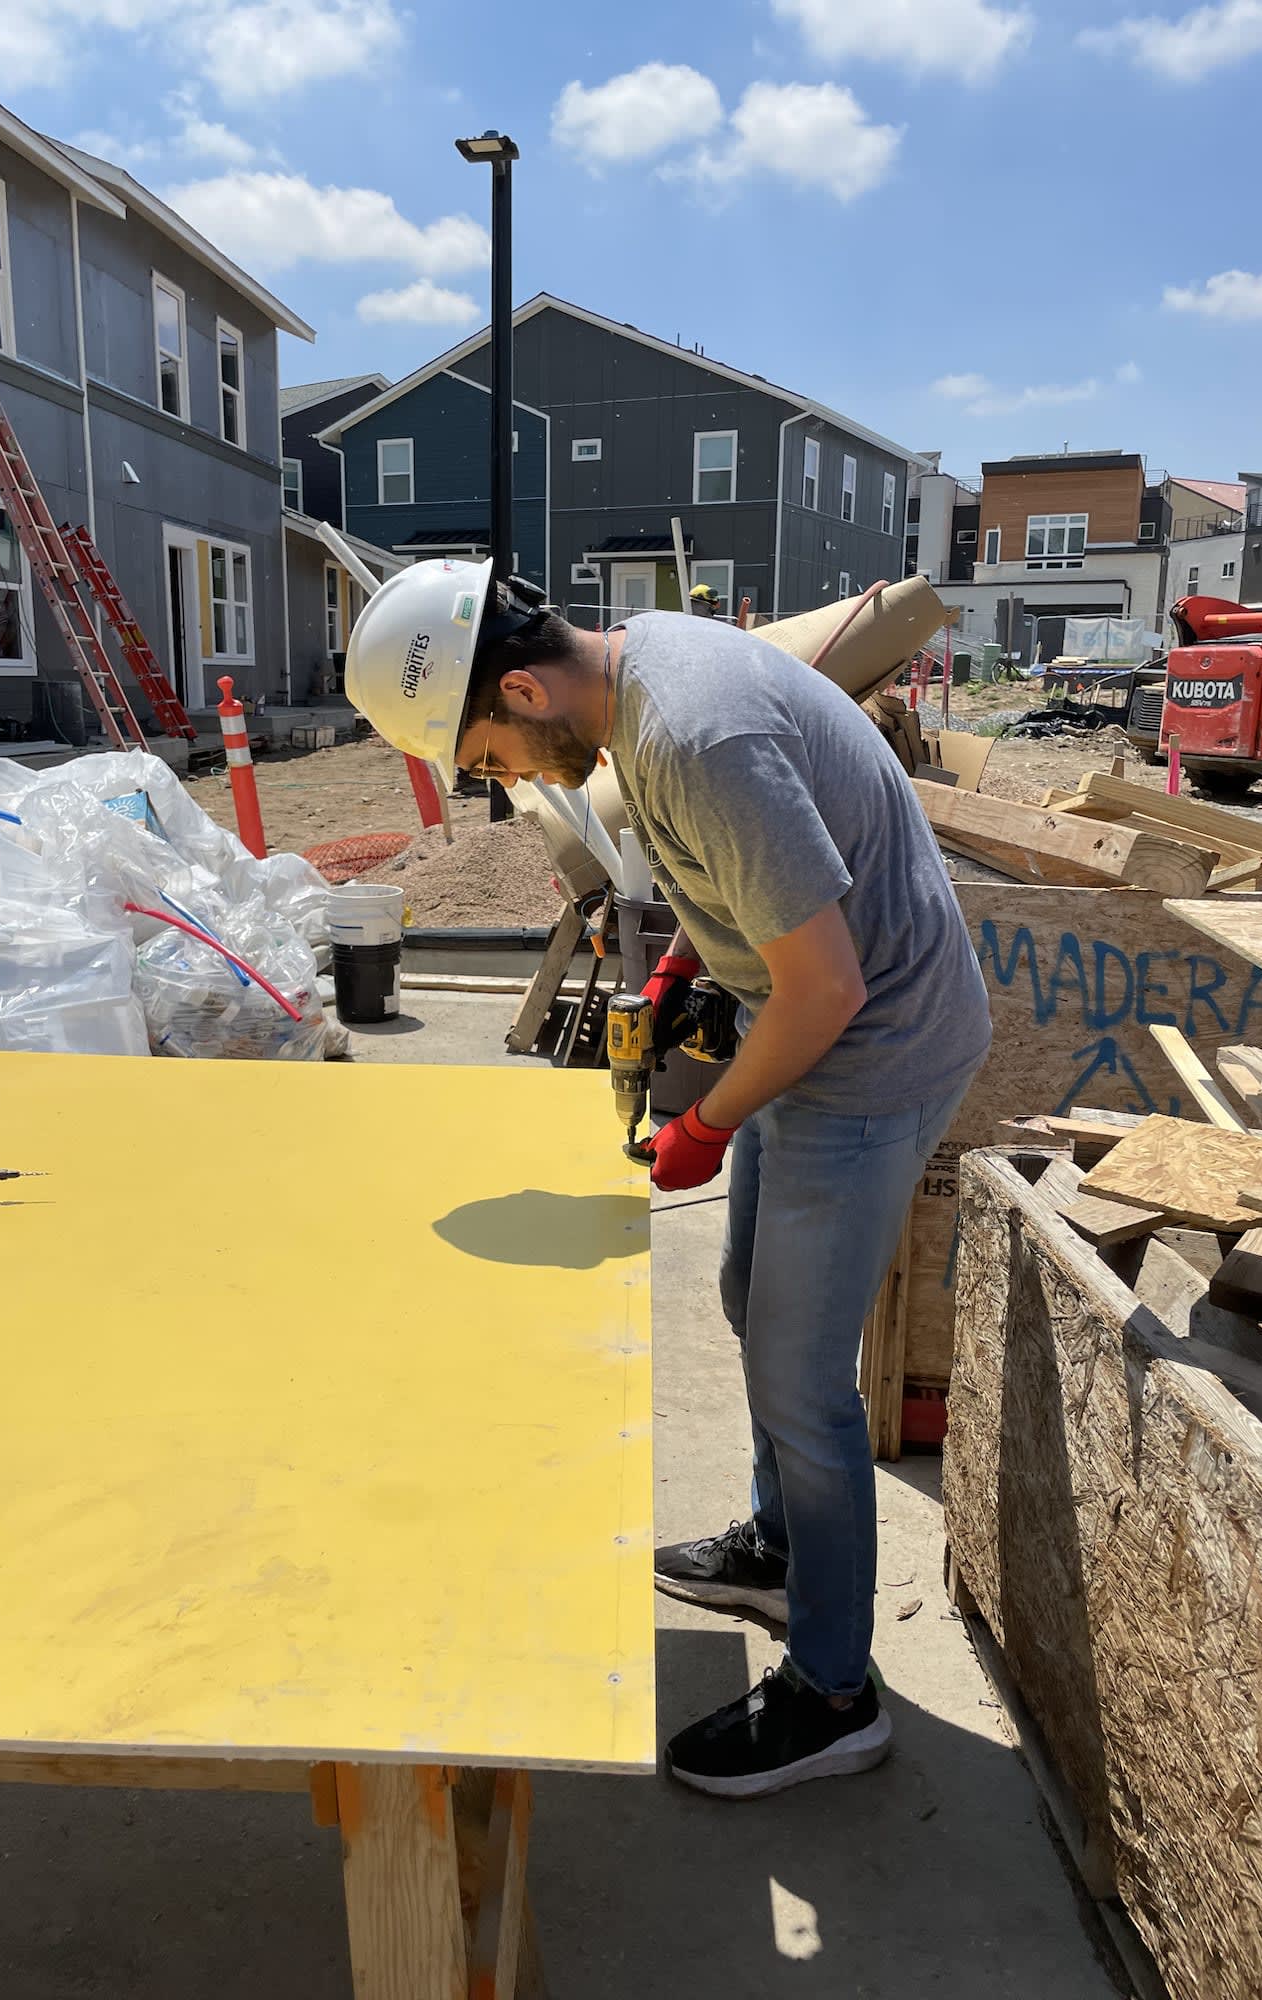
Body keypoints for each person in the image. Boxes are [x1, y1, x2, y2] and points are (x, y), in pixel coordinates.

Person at [343, 563, 992, 1800]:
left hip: (868, 1050)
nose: (506, 780)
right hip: (808, 1021)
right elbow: (756, 872)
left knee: (804, 1382)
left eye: (489, 756)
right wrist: (687, 960)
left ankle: (835, 1690)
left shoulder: (695, 735)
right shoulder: (634, 684)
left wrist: (713, 1119)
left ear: (524, 686)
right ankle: (776, 1546)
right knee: (757, 1303)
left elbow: (829, 988)